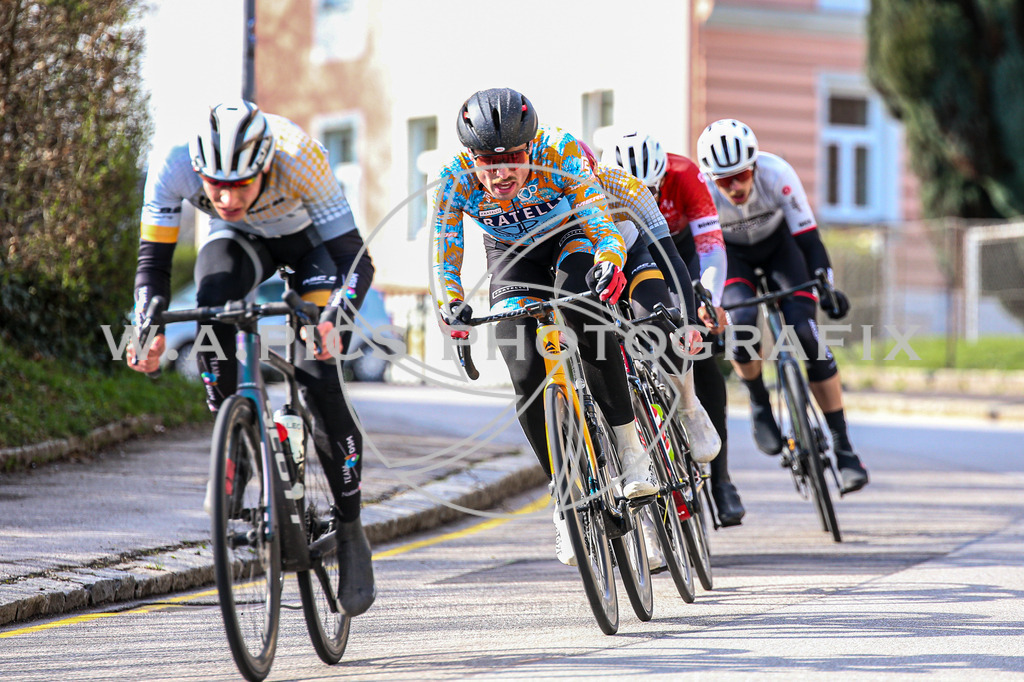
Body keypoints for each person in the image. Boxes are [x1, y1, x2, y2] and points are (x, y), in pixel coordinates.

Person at [125, 99, 377, 615]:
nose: (226, 195)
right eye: (215, 185)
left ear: (266, 167)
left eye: (241, 184)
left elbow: (356, 258)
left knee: (315, 372)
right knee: (210, 305)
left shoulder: (299, 156)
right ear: (198, 170)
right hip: (238, 245)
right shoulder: (172, 164)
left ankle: (350, 528)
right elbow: (153, 265)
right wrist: (144, 326)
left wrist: (334, 316)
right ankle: (234, 438)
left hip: (311, 249)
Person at [432, 87, 658, 566]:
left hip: (570, 238)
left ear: (531, 147)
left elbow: (599, 215)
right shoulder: (452, 177)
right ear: (468, 157)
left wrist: (609, 259)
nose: (501, 173)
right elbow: (445, 248)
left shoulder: (560, 149)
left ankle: (629, 447)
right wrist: (450, 307)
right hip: (511, 257)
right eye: (488, 163)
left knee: (587, 317)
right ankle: (563, 492)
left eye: (513, 158)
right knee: (522, 366)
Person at [695, 118, 868, 494]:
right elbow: (704, 253)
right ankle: (759, 402)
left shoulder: (778, 174)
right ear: (711, 178)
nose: (735, 187)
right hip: (732, 257)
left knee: (805, 333)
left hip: (781, 250)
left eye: (740, 175)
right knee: (742, 327)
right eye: (724, 181)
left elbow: (809, 241)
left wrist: (827, 287)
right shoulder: (703, 190)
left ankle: (844, 447)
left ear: (754, 166)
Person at [603, 131, 746, 526]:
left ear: (663, 177)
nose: (641, 194)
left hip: (677, 253)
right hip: (623, 254)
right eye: (634, 188)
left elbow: (711, 245)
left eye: (650, 188)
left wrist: (707, 301)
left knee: (698, 352)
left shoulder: (685, 174)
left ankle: (721, 481)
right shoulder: (597, 185)